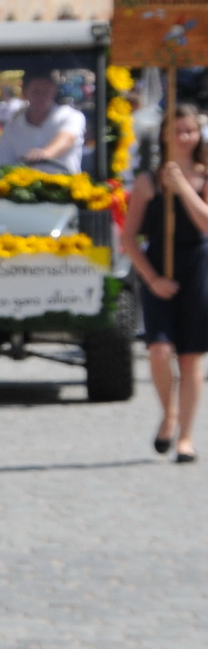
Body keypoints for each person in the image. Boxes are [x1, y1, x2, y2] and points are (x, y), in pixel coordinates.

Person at [121, 103, 208, 463]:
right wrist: (152, 278)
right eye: (176, 132)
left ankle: (185, 436)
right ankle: (168, 412)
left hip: (198, 266)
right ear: (163, 136)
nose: (184, 139)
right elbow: (128, 239)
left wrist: (183, 188)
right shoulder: (147, 181)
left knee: (190, 360)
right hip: (159, 267)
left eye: (189, 131)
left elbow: (206, 225)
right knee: (159, 350)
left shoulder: (204, 175)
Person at [0, 73, 85, 174]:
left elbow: (67, 138)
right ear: (25, 94)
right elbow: (2, 165)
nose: (42, 97)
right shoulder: (13, 126)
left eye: (47, 92)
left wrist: (46, 154)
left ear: (54, 92)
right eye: (36, 92)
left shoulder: (70, 115)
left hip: (66, 186)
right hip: (24, 188)